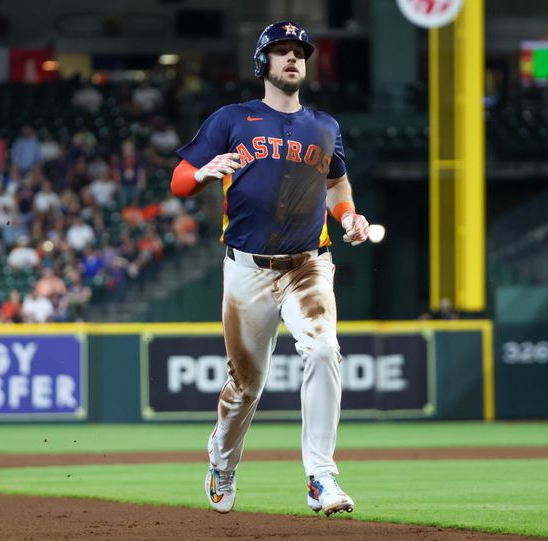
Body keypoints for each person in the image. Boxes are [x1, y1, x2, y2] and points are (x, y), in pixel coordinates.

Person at [170, 21, 370, 517]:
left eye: (298, 52)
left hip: (308, 264)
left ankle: (321, 477)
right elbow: (178, 181)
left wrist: (349, 217)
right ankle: (222, 462)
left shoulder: (324, 126)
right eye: (280, 51)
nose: (291, 59)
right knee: (246, 385)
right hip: (247, 269)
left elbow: (336, 188)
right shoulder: (232, 119)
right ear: (263, 63)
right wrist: (200, 174)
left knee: (324, 348)